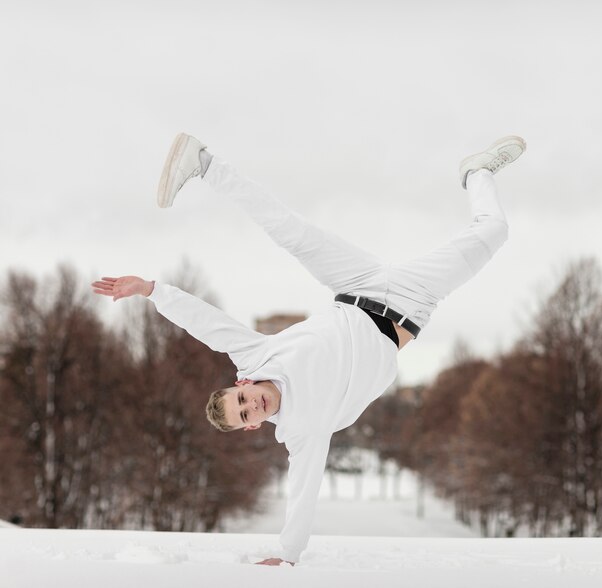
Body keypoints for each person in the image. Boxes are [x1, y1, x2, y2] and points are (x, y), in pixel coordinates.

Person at [92, 133, 525, 565]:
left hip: (358, 284)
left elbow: (207, 324)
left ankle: (203, 163)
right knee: (495, 230)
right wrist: (288, 554)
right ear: (252, 426)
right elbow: (304, 489)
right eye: (247, 413)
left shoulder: (255, 357)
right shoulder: (301, 430)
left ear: (241, 383)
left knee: (289, 230)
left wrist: (152, 290)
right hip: (412, 305)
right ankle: (478, 172)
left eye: (241, 397)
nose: (251, 403)